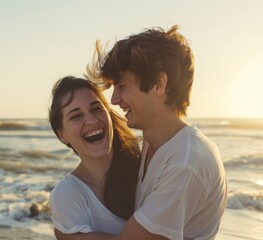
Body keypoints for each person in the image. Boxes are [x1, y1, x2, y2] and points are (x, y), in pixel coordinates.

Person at [55, 25, 228, 239]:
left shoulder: (185, 162)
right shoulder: (153, 145)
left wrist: (69, 237)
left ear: (158, 84)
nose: (114, 100)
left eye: (122, 87)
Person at [49, 76, 141, 235]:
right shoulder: (68, 194)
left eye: (96, 108)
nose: (91, 120)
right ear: (62, 135)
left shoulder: (146, 167)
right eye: (76, 116)